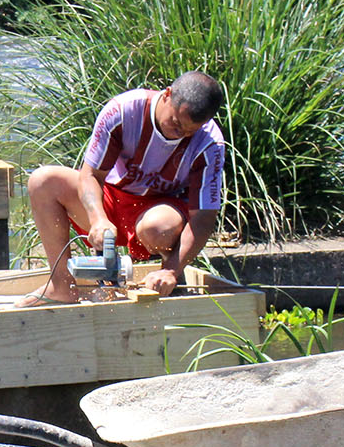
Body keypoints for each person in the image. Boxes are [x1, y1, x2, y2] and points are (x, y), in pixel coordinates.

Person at [21, 71, 227, 306]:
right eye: (177, 123)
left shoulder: (210, 143)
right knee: (42, 181)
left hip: (158, 211)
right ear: (167, 95)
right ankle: (61, 287)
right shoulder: (123, 111)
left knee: (159, 227)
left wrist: (171, 270)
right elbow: (90, 175)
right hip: (111, 199)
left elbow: (203, 217)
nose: (180, 134)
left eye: (190, 131)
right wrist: (98, 219)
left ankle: (167, 278)